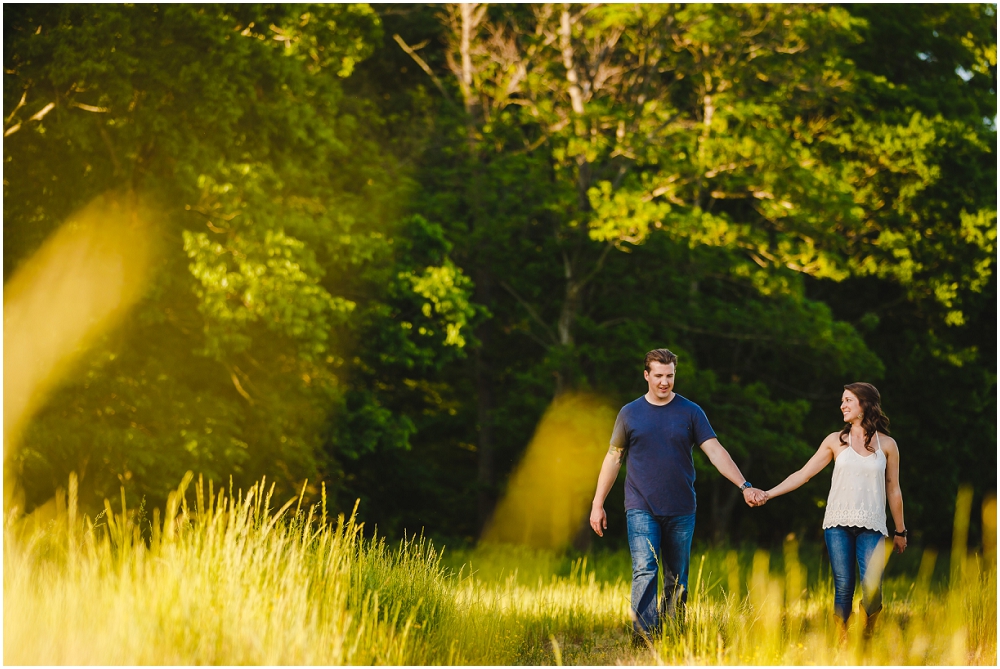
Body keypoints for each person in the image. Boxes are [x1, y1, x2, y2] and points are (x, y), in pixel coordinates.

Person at [589, 348, 766, 640]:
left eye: (669, 376)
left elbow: (715, 452)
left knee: (676, 577)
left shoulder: (691, 412)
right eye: (658, 376)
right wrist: (598, 504)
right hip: (640, 506)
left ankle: (672, 634)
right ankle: (645, 637)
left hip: (682, 508)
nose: (664, 382)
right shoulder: (629, 413)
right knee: (645, 569)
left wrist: (744, 485)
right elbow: (613, 458)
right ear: (646, 375)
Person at [756, 382, 907, 635]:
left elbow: (894, 489)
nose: (842, 405)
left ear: (865, 404)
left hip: (873, 526)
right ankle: (843, 641)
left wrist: (900, 531)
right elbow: (803, 474)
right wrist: (768, 494)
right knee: (844, 586)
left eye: (848, 400)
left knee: (873, 588)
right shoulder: (835, 441)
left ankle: (867, 633)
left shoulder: (888, 445)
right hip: (837, 524)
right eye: (842, 400)